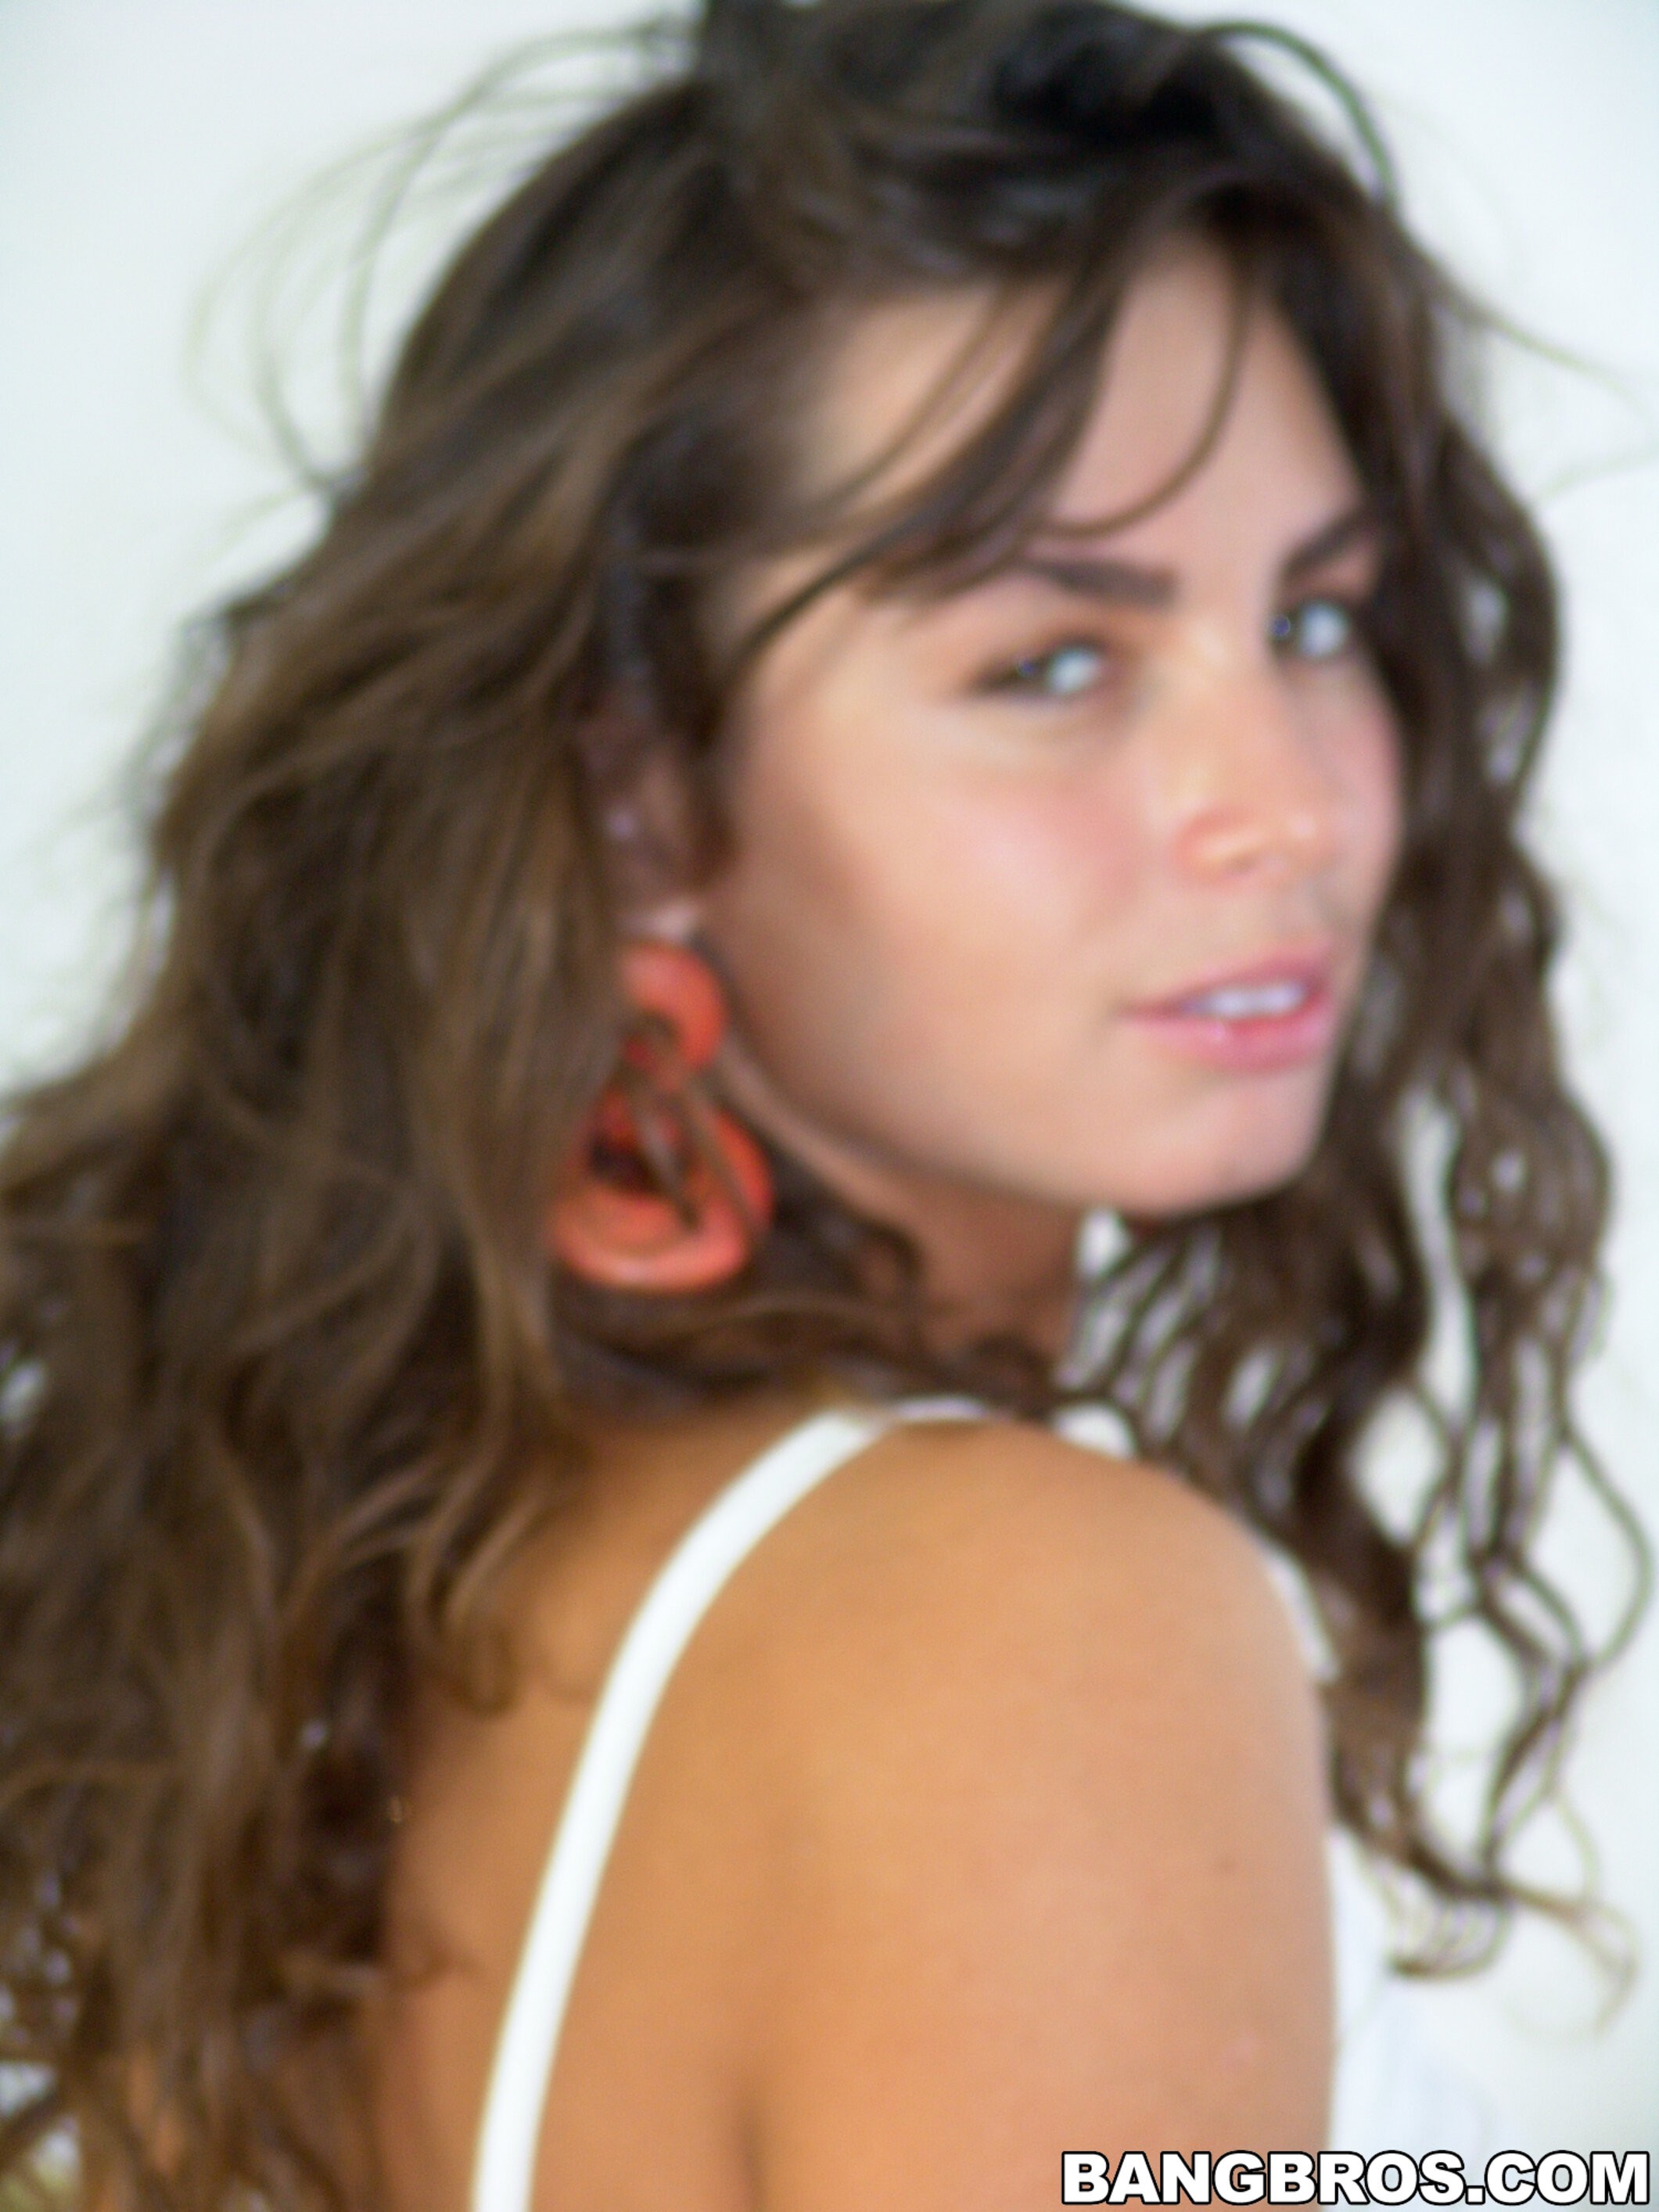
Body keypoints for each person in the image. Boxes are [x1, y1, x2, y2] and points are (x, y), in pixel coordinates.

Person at [0, 0, 1639, 2205]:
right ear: (642, 800)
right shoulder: (1032, 1627)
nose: (1288, 805)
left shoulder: (410, 1598)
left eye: (1319, 619)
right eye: (1052, 661)